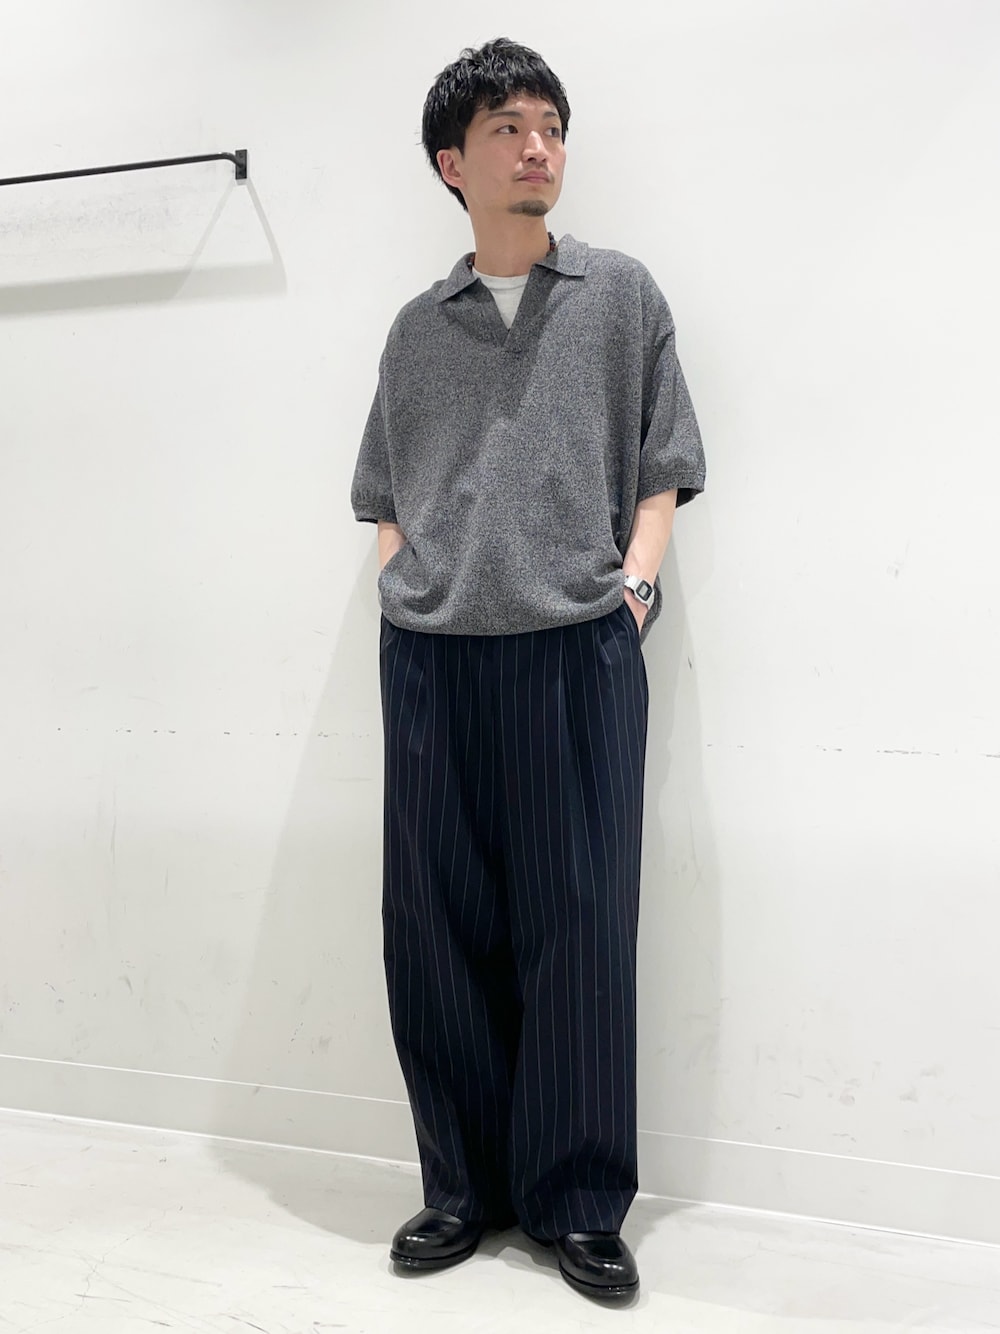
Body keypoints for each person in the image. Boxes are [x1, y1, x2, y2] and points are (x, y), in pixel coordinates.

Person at [350, 36, 705, 1301]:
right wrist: (407, 588)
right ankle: (462, 1187)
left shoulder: (620, 296)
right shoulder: (416, 330)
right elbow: (384, 492)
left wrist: (635, 586)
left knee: (580, 928)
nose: (537, 145)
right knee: (433, 928)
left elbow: (663, 463)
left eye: (549, 124)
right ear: (453, 162)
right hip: (434, 661)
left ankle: (577, 1200)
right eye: (506, 126)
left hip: (577, 652)